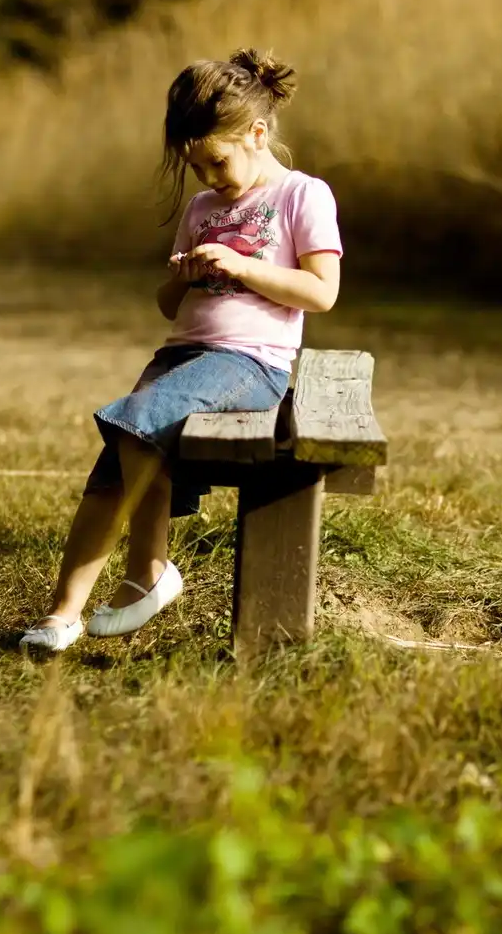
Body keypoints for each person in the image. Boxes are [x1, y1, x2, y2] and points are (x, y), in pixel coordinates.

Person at [21, 48, 344, 652]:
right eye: (196, 167)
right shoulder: (201, 209)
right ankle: (64, 613)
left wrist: (243, 267)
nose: (209, 179)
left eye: (217, 162)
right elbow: (170, 307)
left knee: (137, 422)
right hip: (179, 357)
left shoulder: (304, 195)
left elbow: (321, 293)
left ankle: (149, 569)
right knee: (113, 467)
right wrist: (185, 275)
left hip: (250, 363)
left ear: (256, 132)